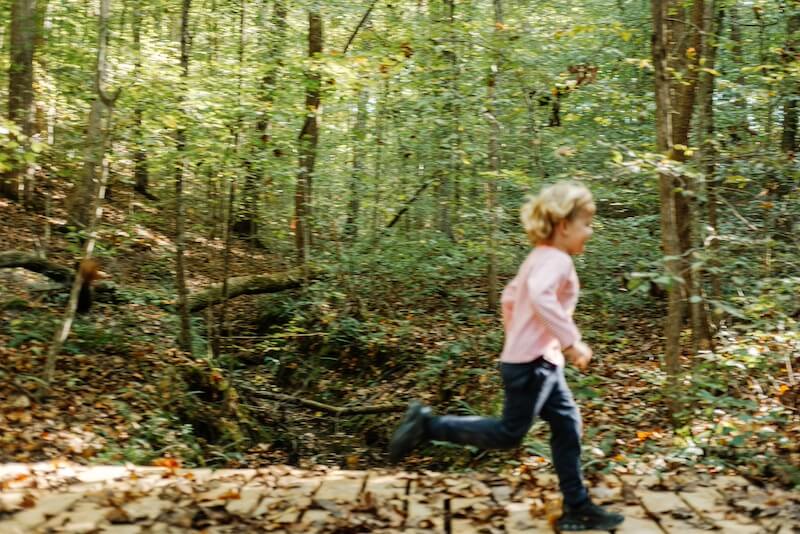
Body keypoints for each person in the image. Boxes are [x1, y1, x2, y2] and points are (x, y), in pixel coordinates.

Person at [388, 181, 624, 531]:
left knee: (568, 427)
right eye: (586, 224)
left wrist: (523, 337)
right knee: (509, 434)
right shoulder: (556, 260)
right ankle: (428, 426)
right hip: (534, 365)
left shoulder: (538, 256)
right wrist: (571, 341)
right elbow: (539, 295)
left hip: (540, 361)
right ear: (563, 226)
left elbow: (509, 298)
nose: (589, 232)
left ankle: (578, 508)